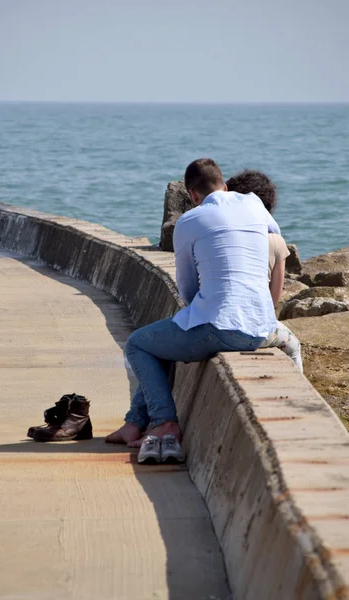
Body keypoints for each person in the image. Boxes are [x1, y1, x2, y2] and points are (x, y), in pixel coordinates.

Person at [106, 158, 280, 464]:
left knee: (139, 344)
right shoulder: (255, 204)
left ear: (192, 195)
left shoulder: (189, 221)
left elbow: (186, 287)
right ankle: (134, 423)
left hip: (222, 327)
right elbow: (272, 240)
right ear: (224, 186)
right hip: (263, 325)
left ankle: (164, 425)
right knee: (165, 341)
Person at [226, 170, 303, 372]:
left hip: (214, 324)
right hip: (254, 329)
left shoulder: (218, 236)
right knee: (294, 347)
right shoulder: (275, 240)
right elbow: (272, 300)